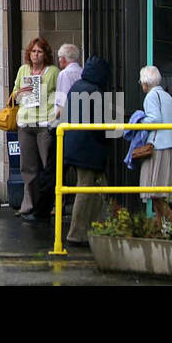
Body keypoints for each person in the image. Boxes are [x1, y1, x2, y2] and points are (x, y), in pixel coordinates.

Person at [63, 55, 110, 246]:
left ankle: (95, 228)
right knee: (87, 189)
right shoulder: (96, 91)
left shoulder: (76, 86)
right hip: (88, 149)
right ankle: (78, 233)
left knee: (93, 188)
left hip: (72, 145)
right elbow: (99, 126)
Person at [12, 37, 58, 222]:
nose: (35, 55)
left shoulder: (53, 72)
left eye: (39, 52)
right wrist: (20, 93)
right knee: (28, 167)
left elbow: (60, 94)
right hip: (25, 122)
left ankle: (54, 204)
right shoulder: (23, 70)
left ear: (45, 54)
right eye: (33, 51)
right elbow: (14, 94)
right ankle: (28, 205)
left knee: (49, 166)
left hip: (44, 123)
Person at [139, 65, 172, 227]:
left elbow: (154, 119)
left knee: (154, 190)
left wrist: (139, 122)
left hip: (157, 147)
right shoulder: (168, 97)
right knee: (161, 190)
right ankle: (159, 224)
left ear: (145, 83)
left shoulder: (151, 96)